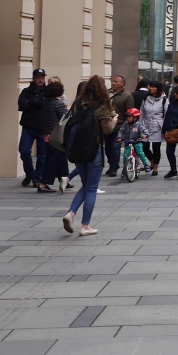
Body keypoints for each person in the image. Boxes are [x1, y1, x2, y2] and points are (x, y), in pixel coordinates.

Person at [62, 76, 118, 237]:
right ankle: (85, 225)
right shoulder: (103, 107)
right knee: (92, 188)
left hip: (77, 150)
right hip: (94, 151)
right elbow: (107, 130)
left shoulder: (78, 104)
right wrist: (114, 120)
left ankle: (71, 213)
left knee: (85, 185)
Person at [18, 68, 49, 188]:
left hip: (43, 128)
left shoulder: (47, 91)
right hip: (28, 127)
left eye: (42, 77)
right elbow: (21, 105)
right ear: (34, 79)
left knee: (42, 155)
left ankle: (37, 178)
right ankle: (29, 174)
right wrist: (37, 102)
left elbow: (46, 103)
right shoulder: (26, 91)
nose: (41, 80)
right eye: (38, 78)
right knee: (24, 151)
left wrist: (30, 102)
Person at [38, 78, 69, 193]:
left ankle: (65, 179)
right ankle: (43, 184)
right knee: (53, 160)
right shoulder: (58, 104)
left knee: (61, 158)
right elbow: (64, 118)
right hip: (56, 136)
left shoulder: (46, 103)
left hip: (47, 135)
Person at [106, 75, 133, 177]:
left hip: (119, 126)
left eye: (116, 82)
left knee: (115, 147)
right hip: (107, 125)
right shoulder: (107, 93)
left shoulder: (127, 96)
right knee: (107, 148)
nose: (113, 83)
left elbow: (129, 112)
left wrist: (127, 126)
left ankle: (113, 168)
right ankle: (111, 164)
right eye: (113, 81)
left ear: (122, 84)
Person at [139, 81, 168, 176]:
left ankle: (155, 167)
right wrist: (140, 125)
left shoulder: (164, 100)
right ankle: (151, 161)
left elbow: (166, 115)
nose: (151, 88)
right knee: (144, 147)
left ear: (158, 89)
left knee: (156, 147)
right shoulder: (146, 98)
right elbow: (142, 113)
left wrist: (165, 128)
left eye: (154, 87)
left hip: (157, 126)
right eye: (150, 86)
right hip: (146, 125)